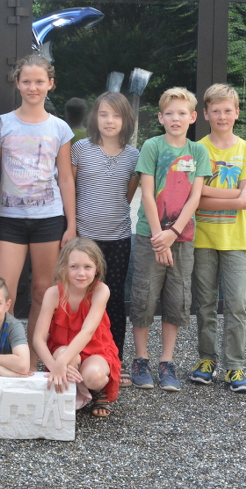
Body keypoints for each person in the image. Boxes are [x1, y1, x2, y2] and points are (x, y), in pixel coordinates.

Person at [0, 55, 75, 372]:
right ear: (17, 83)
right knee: (4, 293)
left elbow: (65, 178)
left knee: (43, 291)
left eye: (39, 81)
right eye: (26, 81)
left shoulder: (59, 127)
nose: (33, 87)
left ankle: (33, 360)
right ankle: (8, 356)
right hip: (10, 219)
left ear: (50, 84)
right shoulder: (2, 124)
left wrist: (71, 224)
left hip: (49, 219)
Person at [130, 87, 211, 391]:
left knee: (177, 299)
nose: (175, 118)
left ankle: (167, 361)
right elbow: (147, 194)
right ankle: (140, 358)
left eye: (181, 113)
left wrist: (173, 233)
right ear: (160, 117)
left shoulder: (198, 151)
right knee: (144, 296)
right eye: (169, 113)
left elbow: (195, 197)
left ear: (192, 117)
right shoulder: (152, 146)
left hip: (182, 238)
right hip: (149, 236)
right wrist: (158, 238)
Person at [71, 92, 139, 387]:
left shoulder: (133, 156)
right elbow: (70, 188)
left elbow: (127, 195)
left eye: (116, 115)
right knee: (80, 299)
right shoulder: (80, 149)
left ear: (126, 120)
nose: (110, 121)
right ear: (94, 118)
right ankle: (78, 358)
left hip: (118, 237)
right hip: (84, 238)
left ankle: (115, 360)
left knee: (113, 300)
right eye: (103, 114)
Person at [190, 84, 246, 391]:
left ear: (237, 113)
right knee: (205, 304)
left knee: (237, 304)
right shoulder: (197, 149)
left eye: (227, 110)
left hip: (236, 239)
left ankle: (235, 366)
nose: (222, 116)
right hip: (203, 238)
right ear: (205, 114)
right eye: (216, 111)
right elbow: (195, 200)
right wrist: (235, 197)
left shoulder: (245, 149)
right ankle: (206, 360)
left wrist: (209, 195)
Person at [33, 237, 121, 417]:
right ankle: (71, 390)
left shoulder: (100, 290)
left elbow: (87, 331)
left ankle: (96, 390)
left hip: (96, 350)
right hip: (63, 350)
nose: (81, 273)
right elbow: (38, 339)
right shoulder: (53, 293)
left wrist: (61, 363)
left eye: (87, 267)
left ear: (97, 269)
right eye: (74, 266)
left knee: (94, 376)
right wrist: (54, 365)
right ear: (64, 268)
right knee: (66, 355)